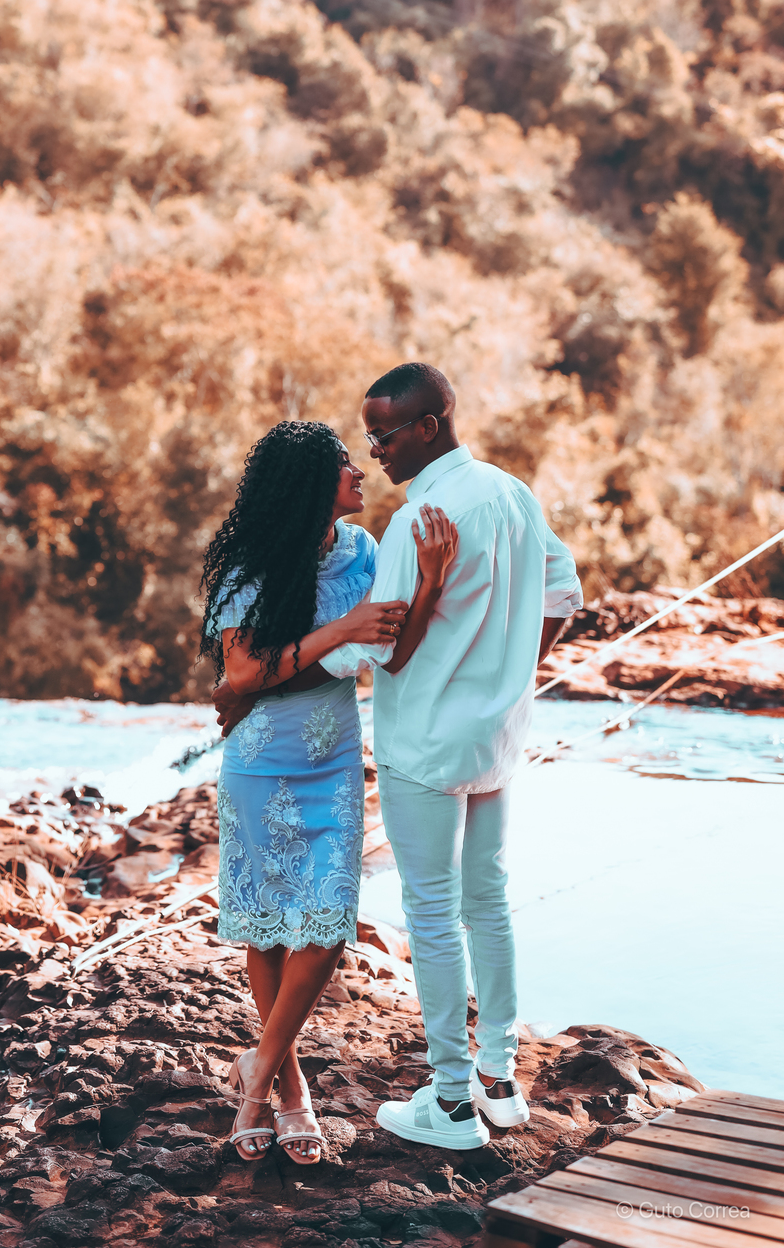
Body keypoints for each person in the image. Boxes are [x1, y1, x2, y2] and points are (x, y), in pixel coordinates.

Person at [202, 419, 458, 1164]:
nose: (360, 471)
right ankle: (288, 1092)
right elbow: (245, 672)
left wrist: (430, 581)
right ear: (309, 485)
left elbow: (390, 652)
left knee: (327, 926)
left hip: (334, 758)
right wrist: (338, 630)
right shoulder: (248, 566)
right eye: (344, 464)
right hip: (260, 763)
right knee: (267, 929)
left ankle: (256, 1072)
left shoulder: (363, 551)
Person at [355, 361, 583, 1150]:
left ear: (428, 425)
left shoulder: (417, 521)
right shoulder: (513, 494)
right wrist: (512, 677)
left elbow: (382, 648)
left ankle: (451, 1101)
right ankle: (499, 1081)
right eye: (369, 437)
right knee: (487, 901)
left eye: (383, 434)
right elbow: (564, 592)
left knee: (431, 911)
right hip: (497, 736)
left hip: (424, 738)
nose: (375, 450)